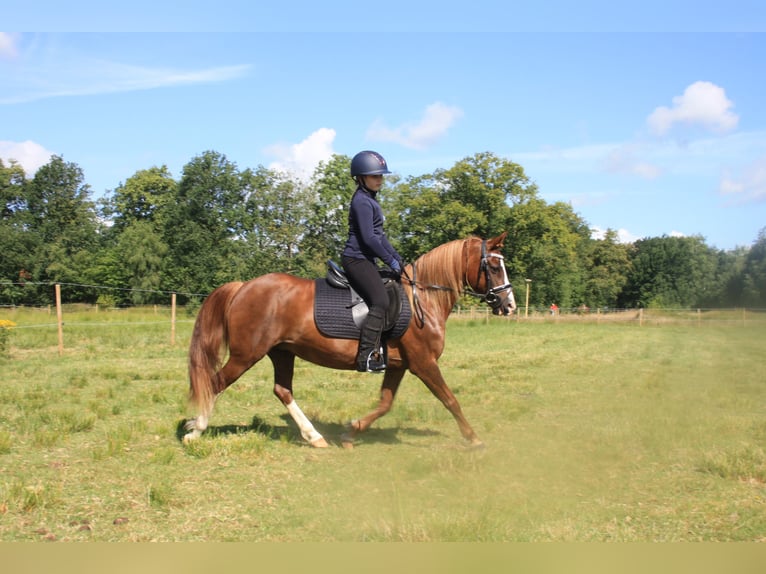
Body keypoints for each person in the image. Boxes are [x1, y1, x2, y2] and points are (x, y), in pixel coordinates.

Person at [342, 150, 404, 372]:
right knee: (380, 301)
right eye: (374, 176)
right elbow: (369, 239)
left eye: (381, 176)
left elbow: (380, 237)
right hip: (356, 259)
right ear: (361, 177)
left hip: (366, 258)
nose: (379, 180)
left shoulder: (371, 201)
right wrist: (389, 260)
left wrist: (397, 259)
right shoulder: (361, 202)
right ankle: (366, 355)